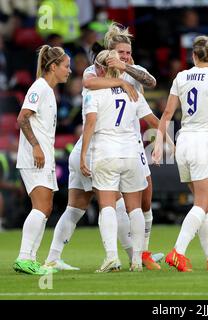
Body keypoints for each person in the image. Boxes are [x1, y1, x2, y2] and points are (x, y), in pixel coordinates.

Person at [44, 23, 167, 271]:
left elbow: (151, 82)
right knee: (113, 204)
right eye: (120, 53)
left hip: (122, 146)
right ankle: (131, 255)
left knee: (89, 206)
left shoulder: (132, 70)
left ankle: (56, 257)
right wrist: (121, 83)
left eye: (128, 52)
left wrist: (126, 71)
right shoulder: (95, 72)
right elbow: (88, 85)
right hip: (101, 147)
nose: (125, 56)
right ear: (109, 55)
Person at [152, 35, 208, 272]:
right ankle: (177, 252)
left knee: (203, 205)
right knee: (203, 203)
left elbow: (166, 114)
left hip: (183, 141)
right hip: (203, 141)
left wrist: (158, 145)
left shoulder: (181, 76)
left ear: (193, 56)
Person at [79, 49, 150, 272]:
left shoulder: (94, 92)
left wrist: (83, 154)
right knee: (134, 209)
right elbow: (145, 117)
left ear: (99, 69)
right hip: (131, 152)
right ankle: (137, 260)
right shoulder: (133, 90)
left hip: (105, 152)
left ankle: (111, 256)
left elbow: (90, 123)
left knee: (107, 206)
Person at [13, 45, 71, 275]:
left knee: (45, 209)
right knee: (41, 207)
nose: (69, 71)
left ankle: (30, 259)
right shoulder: (39, 88)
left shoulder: (48, 89)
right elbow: (22, 117)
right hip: (35, 157)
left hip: (42, 156)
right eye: (66, 66)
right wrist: (36, 146)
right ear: (53, 67)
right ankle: (24, 257)